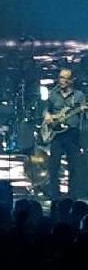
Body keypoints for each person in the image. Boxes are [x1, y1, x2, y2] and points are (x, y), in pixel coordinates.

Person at [43, 68, 86, 200]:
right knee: (54, 167)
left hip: (72, 134)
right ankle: (55, 196)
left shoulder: (78, 96)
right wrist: (47, 115)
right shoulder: (53, 94)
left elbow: (83, 113)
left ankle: (71, 197)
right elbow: (46, 109)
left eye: (65, 78)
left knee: (73, 167)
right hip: (56, 134)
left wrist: (83, 110)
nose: (62, 80)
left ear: (71, 80)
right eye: (60, 77)